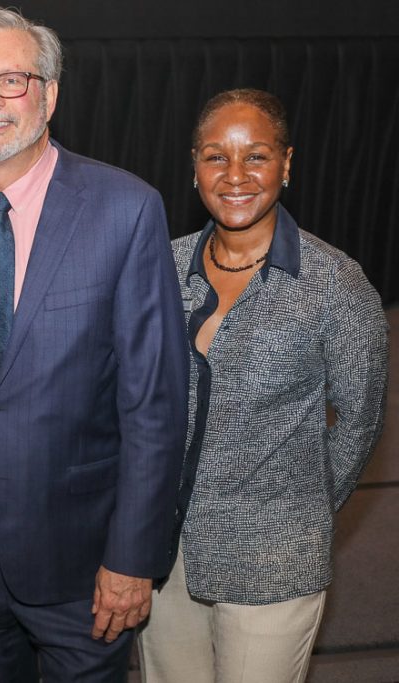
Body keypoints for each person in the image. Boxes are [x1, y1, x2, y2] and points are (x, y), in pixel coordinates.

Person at [0, 7, 189, 681]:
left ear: (50, 93)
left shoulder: (125, 208)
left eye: (12, 80)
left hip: (83, 565)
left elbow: (154, 403)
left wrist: (133, 556)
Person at [135, 88, 389, 682]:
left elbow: (359, 424)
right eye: (216, 156)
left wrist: (300, 510)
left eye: (257, 156)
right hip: (164, 552)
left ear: (287, 164)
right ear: (193, 166)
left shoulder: (336, 287)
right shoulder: (158, 269)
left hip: (275, 558)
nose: (235, 175)